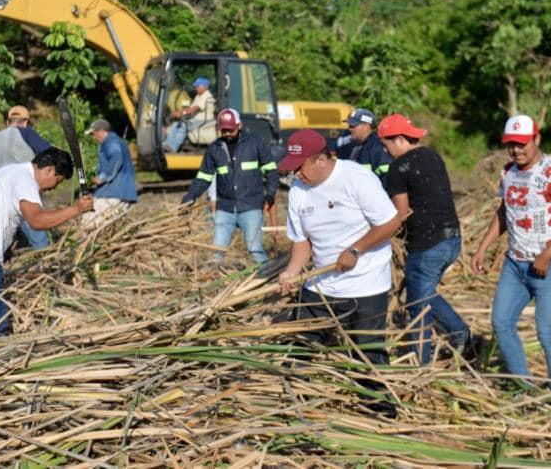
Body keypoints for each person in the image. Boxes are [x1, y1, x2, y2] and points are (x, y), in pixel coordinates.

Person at [471, 115, 551, 393]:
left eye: (522, 143)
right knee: (501, 322)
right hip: (515, 264)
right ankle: (524, 389)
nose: (516, 150)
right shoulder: (508, 172)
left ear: (537, 139)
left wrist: (546, 255)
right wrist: (483, 247)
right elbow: (504, 211)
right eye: (511, 144)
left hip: (549, 267)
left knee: (546, 333)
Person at [277, 129, 402, 368]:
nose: (296, 174)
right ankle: (294, 387)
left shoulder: (357, 178)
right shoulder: (298, 191)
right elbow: (302, 241)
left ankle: (376, 393)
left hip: (364, 285)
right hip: (321, 285)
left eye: (300, 167)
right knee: (299, 350)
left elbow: (390, 222)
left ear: (322, 160)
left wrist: (356, 250)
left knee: (368, 359)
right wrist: (292, 271)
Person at [0, 147, 93, 335]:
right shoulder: (26, 181)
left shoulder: (11, 171)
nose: (53, 188)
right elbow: (36, 221)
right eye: (57, 181)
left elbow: (0, 210)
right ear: (49, 170)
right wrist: (76, 209)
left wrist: (5, 247)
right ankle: (3, 352)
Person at [379, 113, 470, 364]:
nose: (385, 151)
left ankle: (420, 363)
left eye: (386, 145)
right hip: (452, 239)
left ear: (399, 139)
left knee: (418, 305)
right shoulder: (433, 156)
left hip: (426, 243)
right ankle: (460, 334)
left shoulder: (399, 167)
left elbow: (401, 213)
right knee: (425, 294)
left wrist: (381, 233)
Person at [181, 108, 279, 265]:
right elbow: (203, 178)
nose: (227, 133)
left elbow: (272, 172)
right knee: (216, 251)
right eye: (223, 130)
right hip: (225, 208)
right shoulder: (214, 149)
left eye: (230, 130)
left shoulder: (255, 143)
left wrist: (270, 195)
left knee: (255, 250)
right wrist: (190, 197)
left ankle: (267, 276)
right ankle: (212, 278)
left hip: (251, 207)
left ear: (239, 126)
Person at [0, 104, 52, 249]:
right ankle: (45, 258)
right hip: (23, 197)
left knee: (0, 246)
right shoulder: (27, 133)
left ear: (8, 122)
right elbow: (50, 154)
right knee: (41, 243)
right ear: (26, 123)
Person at [83, 119, 137, 228]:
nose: (94, 137)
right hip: (122, 193)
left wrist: (102, 177)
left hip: (113, 193)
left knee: (89, 223)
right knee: (111, 227)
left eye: (94, 134)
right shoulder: (117, 141)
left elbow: (116, 157)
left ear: (101, 132)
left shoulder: (110, 142)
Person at [164, 77, 217, 152]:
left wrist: (181, 113)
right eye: (196, 86)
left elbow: (194, 109)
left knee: (183, 125)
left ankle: (173, 148)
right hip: (196, 119)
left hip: (203, 120)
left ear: (205, 86)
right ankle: (168, 144)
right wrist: (180, 113)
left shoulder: (206, 96)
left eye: (198, 86)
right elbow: (190, 108)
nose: (196, 88)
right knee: (176, 124)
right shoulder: (198, 96)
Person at [346, 108, 392, 190]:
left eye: (353, 125)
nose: (350, 129)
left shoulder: (377, 146)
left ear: (366, 126)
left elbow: (385, 175)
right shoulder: (359, 146)